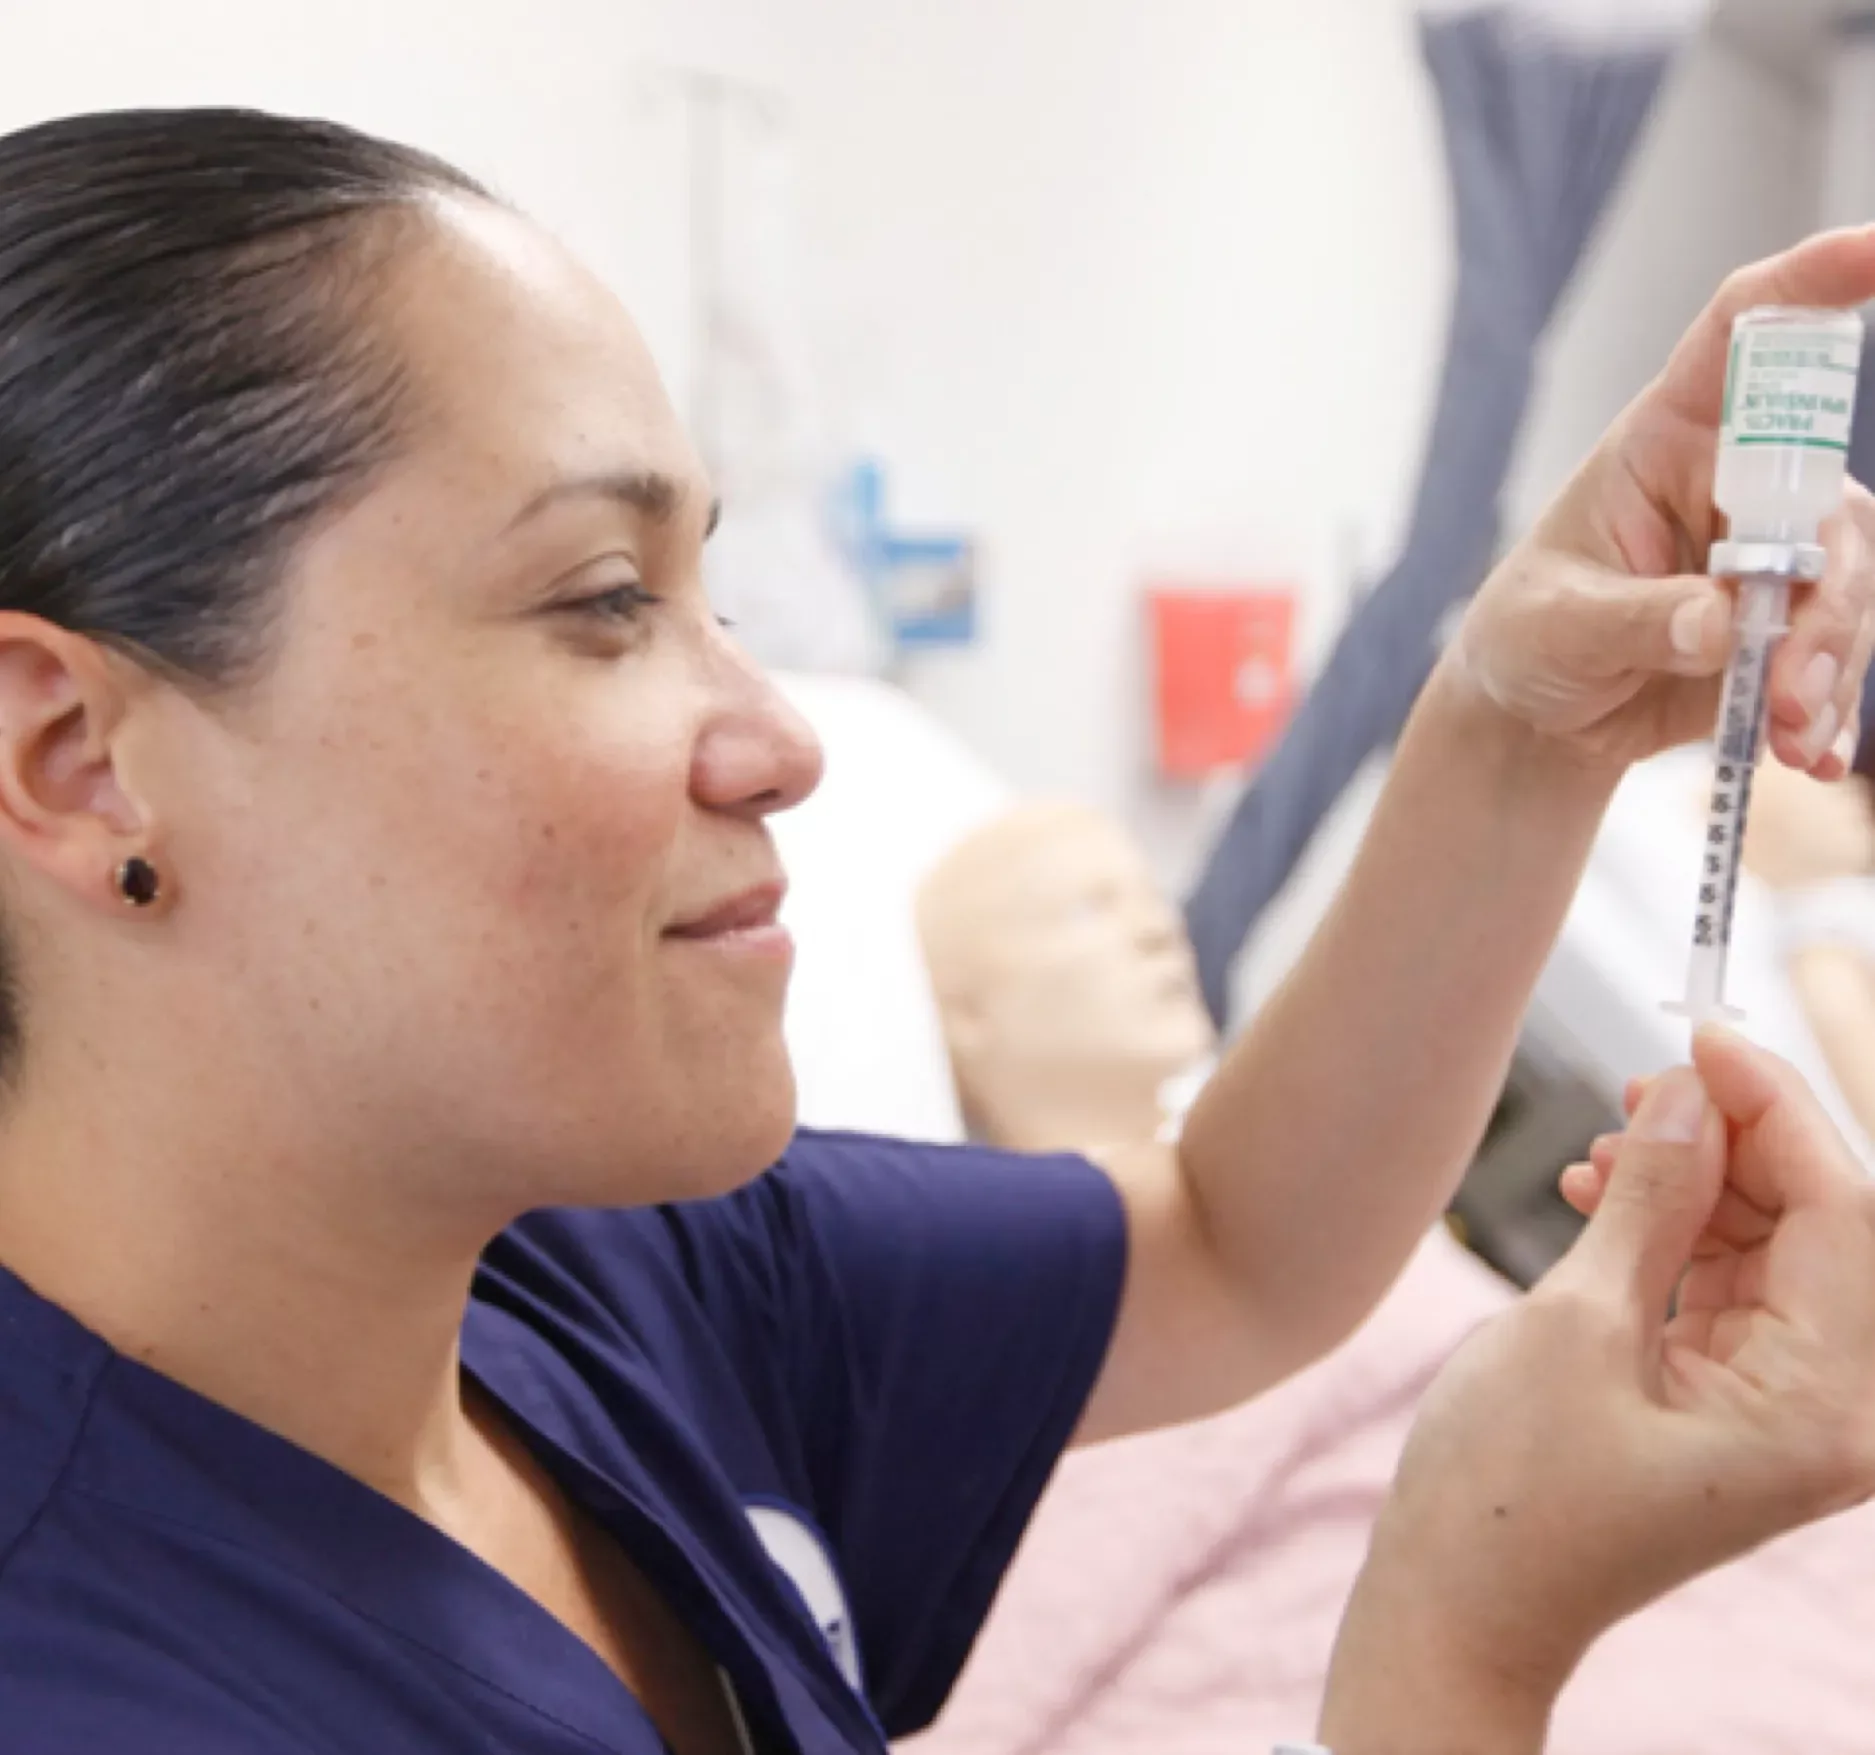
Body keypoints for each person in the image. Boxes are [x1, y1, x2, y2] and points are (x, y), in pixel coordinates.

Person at [0, 106, 1872, 1755]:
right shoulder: (96, 1684)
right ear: (80, 759)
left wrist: (1512, 717)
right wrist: (1460, 1645)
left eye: (704, 590)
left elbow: (1231, 1238)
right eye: (596, 599)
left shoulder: (575, 1275)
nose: (784, 734)